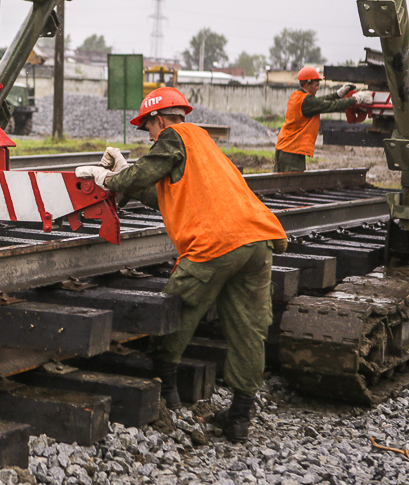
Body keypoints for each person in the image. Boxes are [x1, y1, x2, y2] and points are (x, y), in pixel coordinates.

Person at [75, 87, 288, 442]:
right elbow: (163, 195)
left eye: (148, 128)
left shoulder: (174, 136)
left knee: (175, 311)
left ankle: (168, 393)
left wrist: (108, 178)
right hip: (258, 240)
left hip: (217, 244)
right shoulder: (202, 144)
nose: (150, 137)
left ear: (158, 120)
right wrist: (128, 174)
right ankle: (239, 417)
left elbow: (142, 175)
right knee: (249, 329)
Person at [275, 66, 373, 172]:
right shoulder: (306, 100)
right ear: (307, 84)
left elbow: (320, 101)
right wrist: (356, 99)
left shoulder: (297, 96)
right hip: (291, 151)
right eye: (316, 85)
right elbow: (330, 106)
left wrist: (337, 95)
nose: (318, 88)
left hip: (285, 148)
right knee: (292, 181)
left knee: (281, 181)